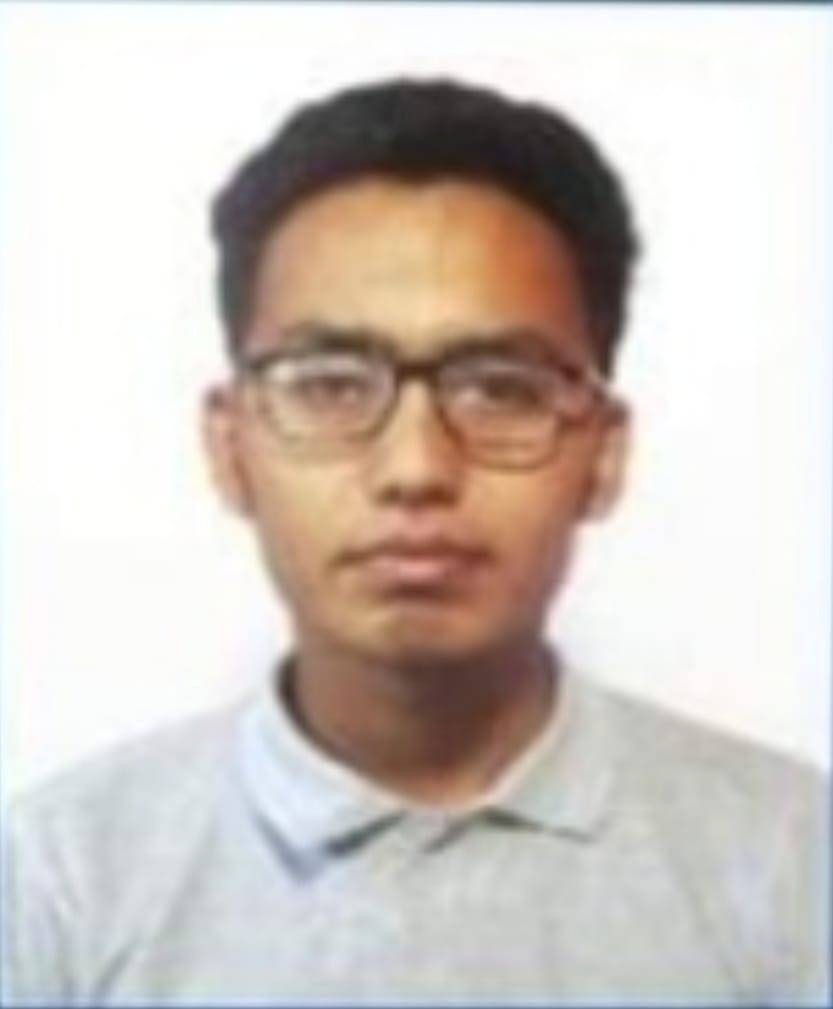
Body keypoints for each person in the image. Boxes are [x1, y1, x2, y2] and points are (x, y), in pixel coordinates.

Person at [3, 78, 828, 1005]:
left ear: (601, 455)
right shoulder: (56, 886)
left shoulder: (791, 864)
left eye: (501, 388)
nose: (416, 468)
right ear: (230, 448)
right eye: (329, 384)